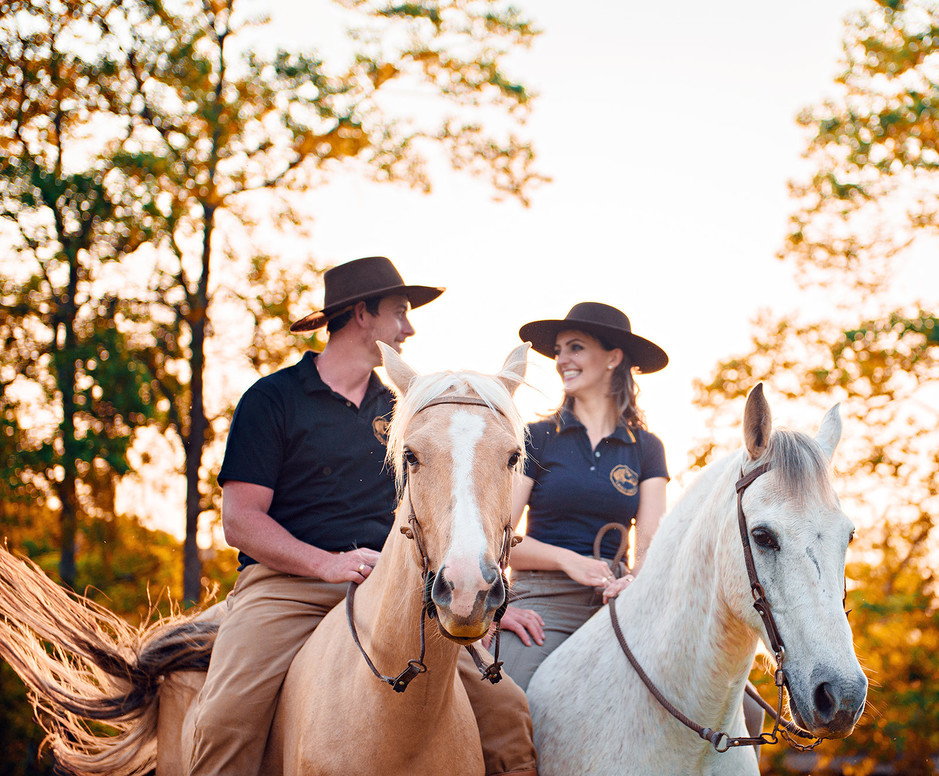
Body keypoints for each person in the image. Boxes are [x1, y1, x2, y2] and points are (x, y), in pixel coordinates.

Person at [188, 256, 537, 776]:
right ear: (359, 315)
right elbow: (240, 520)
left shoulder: (408, 411)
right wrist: (324, 564)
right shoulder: (273, 398)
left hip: (395, 588)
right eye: (399, 312)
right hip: (285, 587)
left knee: (508, 713)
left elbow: (440, 516)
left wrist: (478, 594)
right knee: (224, 721)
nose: (410, 327)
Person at [495, 302, 670, 690]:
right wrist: (568, 560)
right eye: (558, 351)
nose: (561, 360)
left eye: (574, 347)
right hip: (543, 603)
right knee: (507, 698)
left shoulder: (646, 447)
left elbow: (652, 549)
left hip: (620, 603)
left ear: (613, 358)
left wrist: (634, 583)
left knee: (732, 704)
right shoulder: (535, 438)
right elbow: (498, 538)